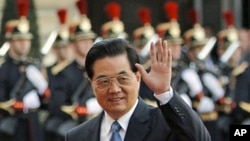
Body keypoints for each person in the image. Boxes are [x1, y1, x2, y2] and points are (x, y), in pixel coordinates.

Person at [65, 38, 211, 141]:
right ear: (92, 84)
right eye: (104, 81)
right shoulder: (77, 136)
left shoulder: (165, 124)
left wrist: (164, 92)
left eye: (123, 79)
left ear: (138, 78)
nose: (114, 89)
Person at [0, 2, 48, 141]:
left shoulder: (34, 66)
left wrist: (43, 95)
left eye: (27, 40)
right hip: (13, 127)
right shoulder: (3, 68)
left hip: (33, 123)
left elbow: (46, 101)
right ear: (10, 42)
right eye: (19, 40)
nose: (24, 44)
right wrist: (17, 103)